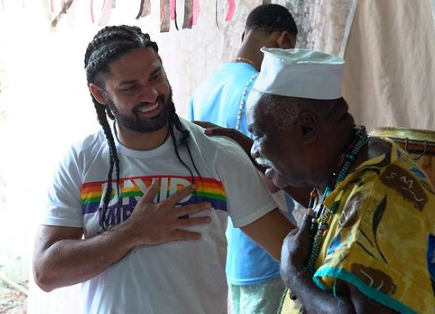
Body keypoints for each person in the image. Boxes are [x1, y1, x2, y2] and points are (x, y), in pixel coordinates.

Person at [32, 25, 295, 314]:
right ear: (100, 94)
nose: (152, 94)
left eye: (156, 76)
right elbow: (47, 272)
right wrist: (132, 233)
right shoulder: (81, 162)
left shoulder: (217, 155)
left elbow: (289, 251)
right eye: (130, 87)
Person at [245, 48, 435, 313]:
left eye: (258, 135)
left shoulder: (371, 203)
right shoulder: (361, 157)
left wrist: (294, 276)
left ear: (306, 128)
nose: (254, 150)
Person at [188, 5, 299, 313]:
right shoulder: (264, 88)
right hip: (267, 248)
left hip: (226, 248)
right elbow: (273, 180)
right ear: (284, 41)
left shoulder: (203, 90)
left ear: (243, 35)